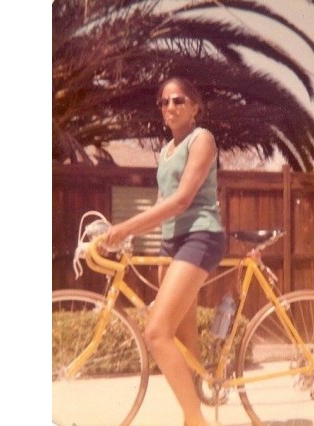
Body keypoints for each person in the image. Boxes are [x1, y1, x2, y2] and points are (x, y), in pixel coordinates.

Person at [102, 77, 225, 426]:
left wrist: (126, 227)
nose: (170, 107)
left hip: (200, 237)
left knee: (156, 333)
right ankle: (199, 401)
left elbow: (182, 200)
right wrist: (125, 235)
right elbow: (161, 203)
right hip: (171, 243)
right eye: (164, 102)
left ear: (195, 106)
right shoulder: (167, 152)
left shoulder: (202, 140)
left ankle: (195, 420)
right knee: (182, 339)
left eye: (178, 100)